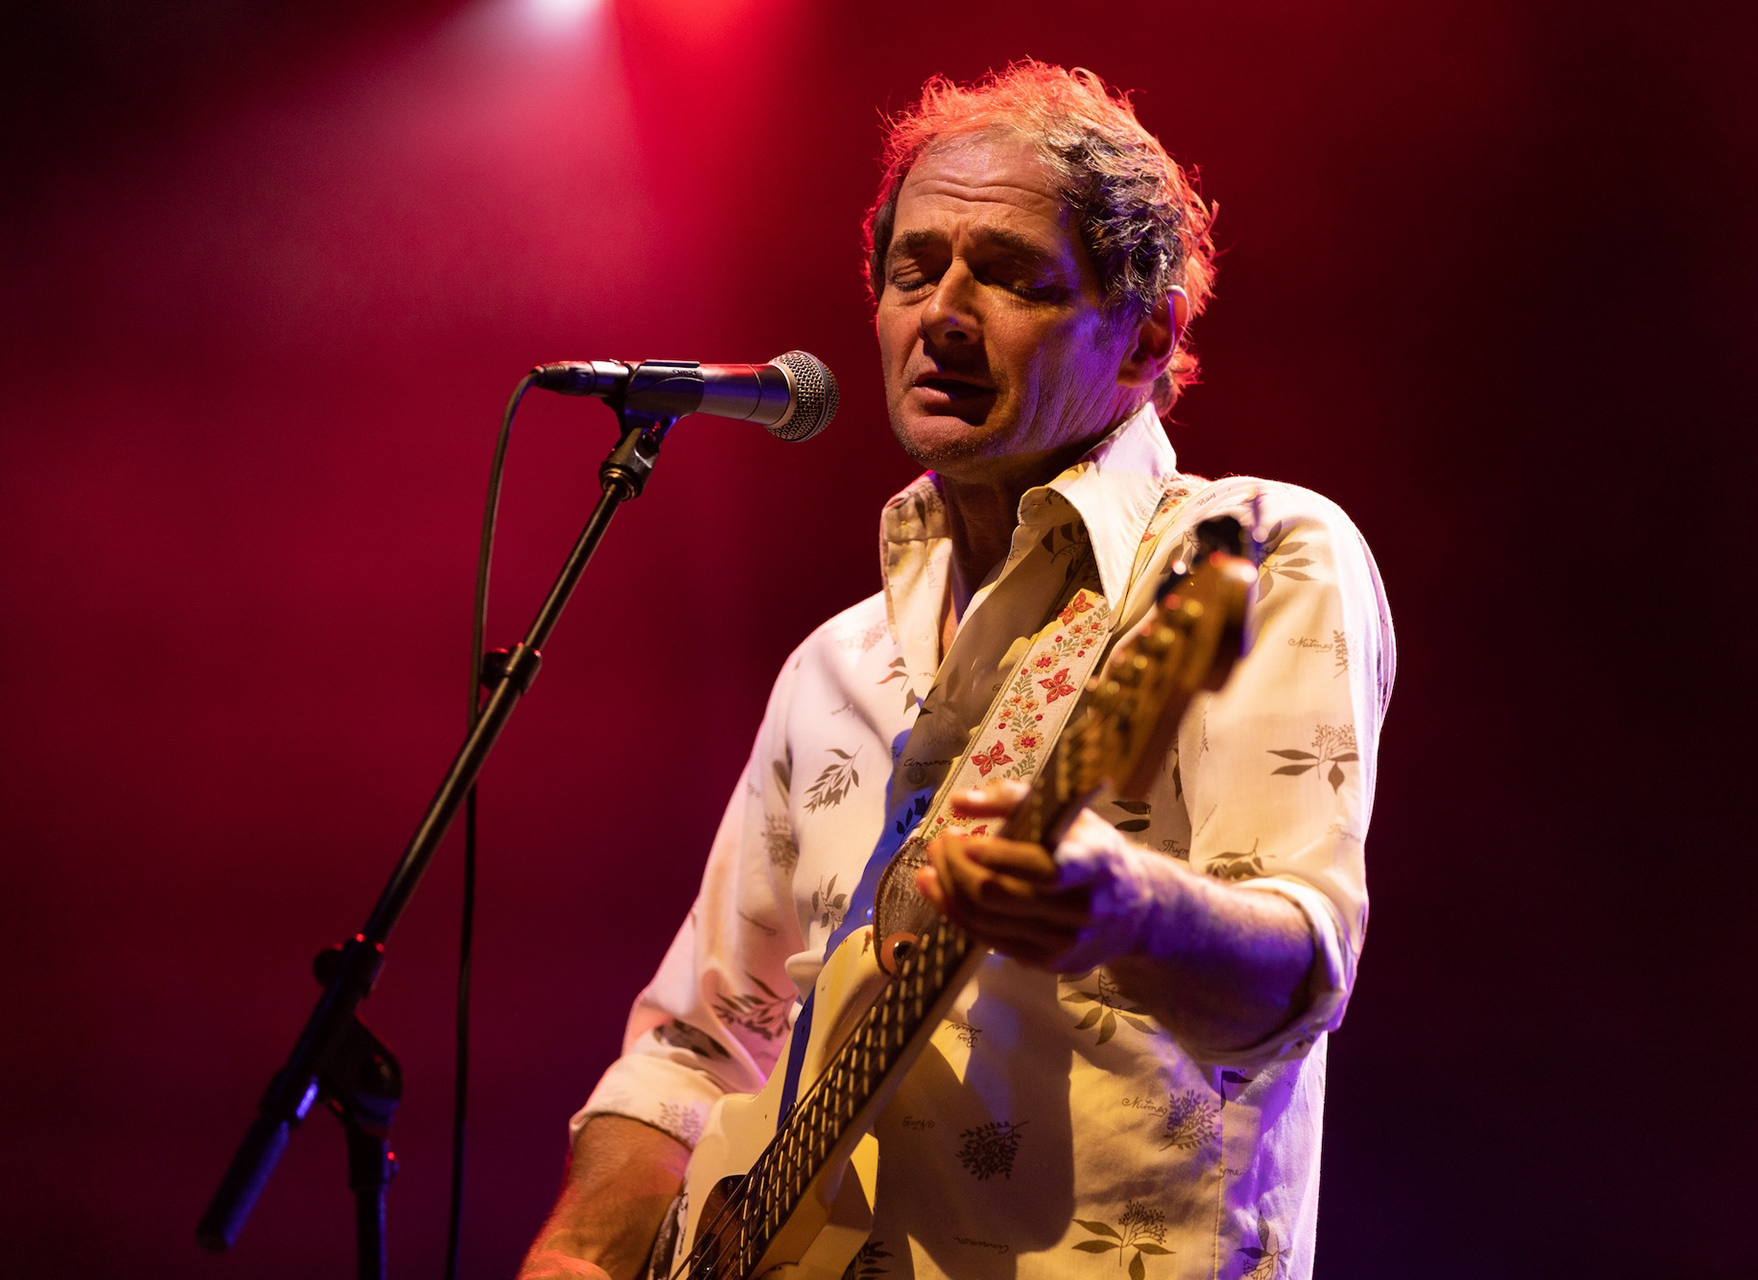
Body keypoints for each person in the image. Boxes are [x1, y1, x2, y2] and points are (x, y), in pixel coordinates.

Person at [520, 62, 1393, 1280]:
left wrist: (1126, 908)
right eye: (914, 269)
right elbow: (699, 1042)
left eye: (1011, 275)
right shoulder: (837, 664)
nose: (941, 312)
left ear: (1147, 335)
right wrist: (582, 1248)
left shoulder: (1248, 553)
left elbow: (1302, 966)